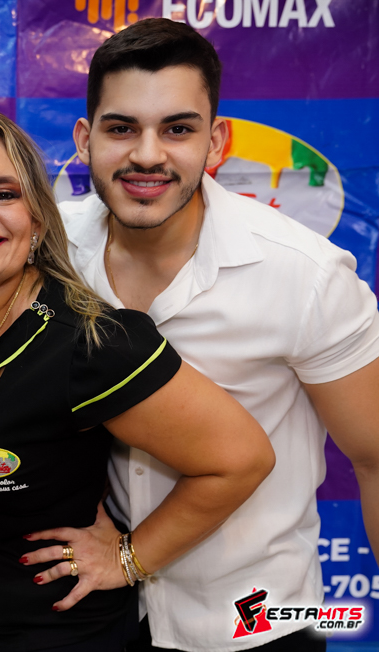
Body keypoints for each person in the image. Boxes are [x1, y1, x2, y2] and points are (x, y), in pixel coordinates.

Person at [0, 108, 274, 651]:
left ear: (38, 221)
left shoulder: (90, 343)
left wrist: (128, 558)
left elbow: (241, 459)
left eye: (4, 194)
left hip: (56, 634)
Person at [44, 17, 379, 652]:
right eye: (122, 128)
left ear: (216, 141)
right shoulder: (46, 253)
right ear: (85, 140)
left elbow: (375, 459)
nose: (148, 155)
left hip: (256, 626)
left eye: (177, 129)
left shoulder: (305, 275)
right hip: (91, 620)